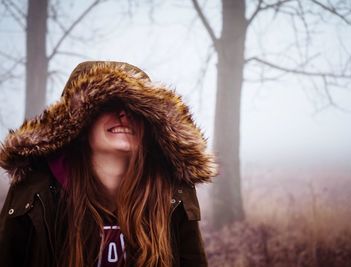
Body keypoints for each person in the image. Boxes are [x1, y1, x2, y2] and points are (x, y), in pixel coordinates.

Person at [0, 61, 218, 267]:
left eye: (135, 106)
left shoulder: (172, 189)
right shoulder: (35, 189)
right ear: (78, 122)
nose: (124, 114)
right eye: (109, 104)